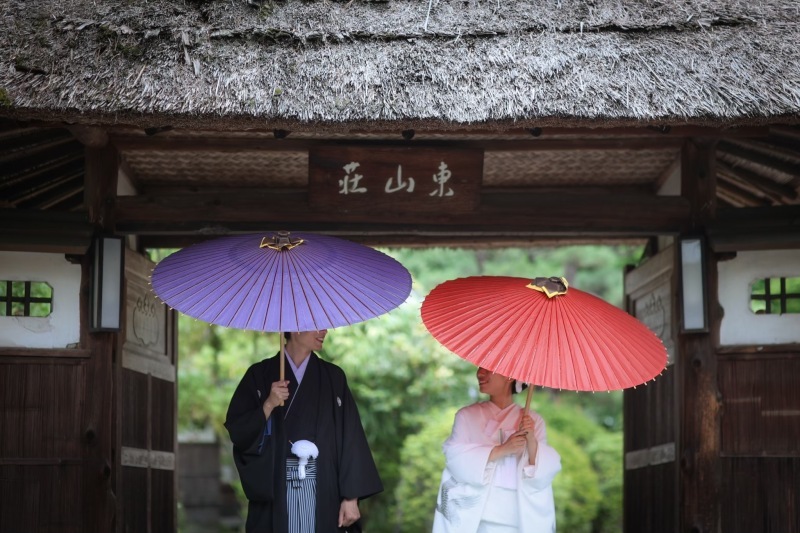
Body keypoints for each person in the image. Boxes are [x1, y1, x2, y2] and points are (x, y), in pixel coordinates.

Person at [225, 330, 382, 533]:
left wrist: (351, 497)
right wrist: (269, 404)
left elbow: (351, 438)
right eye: (316, 325)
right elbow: (240, 432)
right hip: (277, 488)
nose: (324, 331)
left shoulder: (333, 377)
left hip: (325, 488)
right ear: (294, 328)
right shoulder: (259, 374)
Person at [432, 366, 561, 533]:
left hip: (517, 517)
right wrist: (501, 450)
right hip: (477, 517)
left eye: (488, 369)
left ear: (509, 375)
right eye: (480, 368)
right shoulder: (466, 416)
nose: (480, 373)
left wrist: (531, 440)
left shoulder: (533, 420)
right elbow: (454, 458)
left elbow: (543, 474)